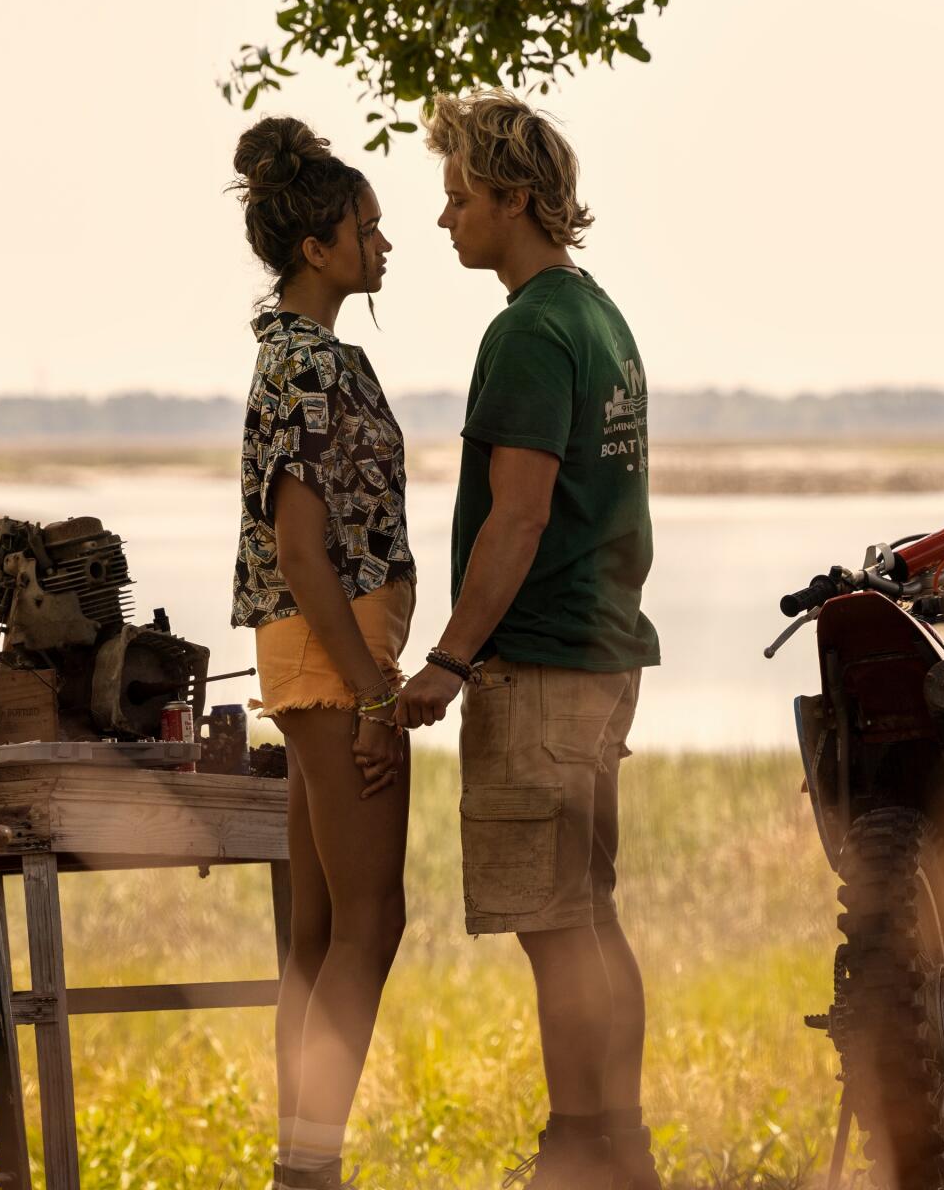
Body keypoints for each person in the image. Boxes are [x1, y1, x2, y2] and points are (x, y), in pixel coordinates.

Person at [397, 89, 661, 1190]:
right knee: (587, 917)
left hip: (542, 663)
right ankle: (618, 1146)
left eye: (459, 195)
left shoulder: (529, 331)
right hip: (600, 653)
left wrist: (447, 662)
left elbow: (519, 512)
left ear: (514, 198)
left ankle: (579, 1151)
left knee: (553, 925)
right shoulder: (599, 315)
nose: (443, 216)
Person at [228, 116, 415, 1190]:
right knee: (372, 916)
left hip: (319, 657)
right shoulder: (304, 366)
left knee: (317, 928)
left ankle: (298, 1159)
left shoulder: (307, 356)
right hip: (332, 659)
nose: (382, 246)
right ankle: (312, 1166)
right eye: (367, 229)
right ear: (318, 247)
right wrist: (377, 690)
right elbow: (303, 550)